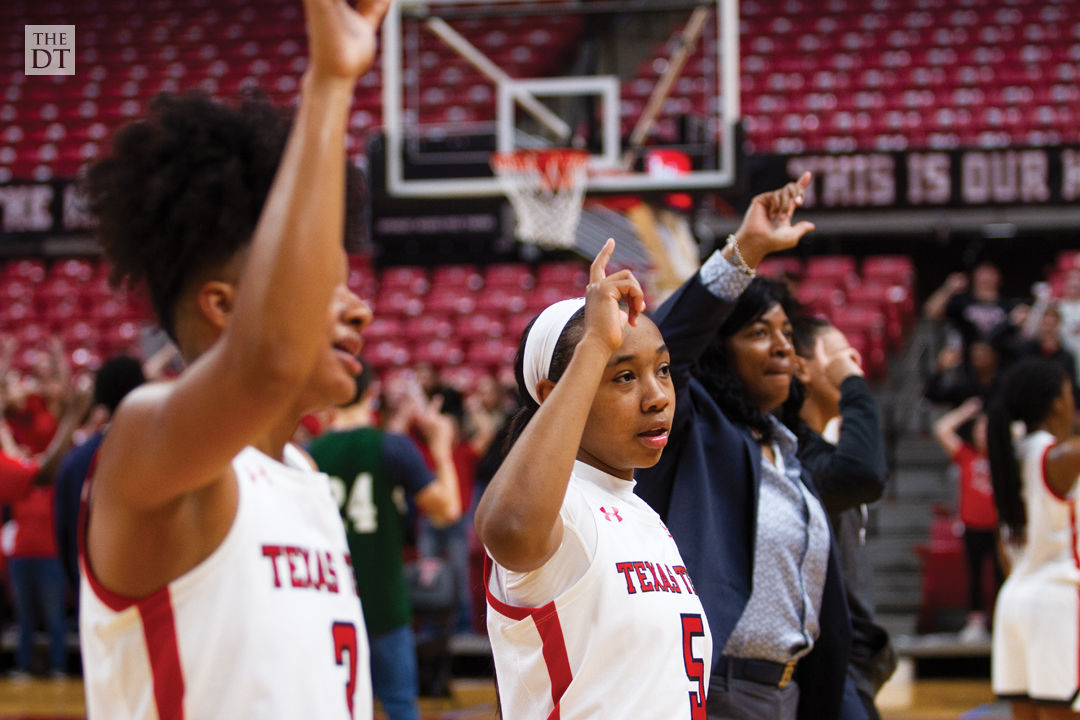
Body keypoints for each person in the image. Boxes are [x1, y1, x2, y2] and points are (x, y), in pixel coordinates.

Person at [76, 0, 387, 716]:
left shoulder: (304, 474)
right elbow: (268, 358)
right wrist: (330, 85)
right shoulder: (145, 442)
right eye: (322, 283)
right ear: (224, 305)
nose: (358, 308)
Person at [636, 173, 852, 720]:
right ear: (720, 351)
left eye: (786, 332)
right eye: (759, 332)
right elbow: (669, 345)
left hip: (789, 689)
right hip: (716, 688)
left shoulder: (790, 450)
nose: (781, 346)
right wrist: (746, 249)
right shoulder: (692, 430)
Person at [475, 239, 713, 719]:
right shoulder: (562, 507)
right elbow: (508, 527)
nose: (657, 397)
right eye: (624, 377)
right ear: (552, 394)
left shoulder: (641, 513)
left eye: (663, 371)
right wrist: (594, 347)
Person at [309, 365, 461, 720]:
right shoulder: (392, 446)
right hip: (384, 600)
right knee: (399, 705)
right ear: (372, 394)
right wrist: (440, 448)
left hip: (328, 604)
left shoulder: (309, 453)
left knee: (332, 708)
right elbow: (447, 510)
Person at [782, 316, 895, 720]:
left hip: (849, 657)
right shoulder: (797, 456)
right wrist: (852, 383)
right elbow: (864, 472)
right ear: (803, 367)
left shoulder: (821, 450)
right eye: (839, 352)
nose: (853, 359)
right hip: (826, 659)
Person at [987, 357, 1080, 719]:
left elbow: (1003, 551)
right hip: (1055, 601)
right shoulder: (1063, 455)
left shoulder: (1009, 457)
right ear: (1058, 402)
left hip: (1012, 601)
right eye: (1070, 393)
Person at [2, 385, 89, 678]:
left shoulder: (47, 474)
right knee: (28, 619)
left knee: (52, 620)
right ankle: (29, 667)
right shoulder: (26, 470)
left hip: (46, 555)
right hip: (23, 556)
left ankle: (57, 667)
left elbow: (44, 469)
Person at [54, 355, 148, 597]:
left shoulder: (74, 461)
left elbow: (63, 535)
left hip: (92, 598)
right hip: (152, 595)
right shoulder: (162, 453)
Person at [932, 396, 1001, 644]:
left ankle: (1002, 621)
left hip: (998, 528)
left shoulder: (1005, 459)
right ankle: (975, 624)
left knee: (1002, 575)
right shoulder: (966, 455)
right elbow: (941, 429)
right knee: (974, 576)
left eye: (987, 428)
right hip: (972, 526)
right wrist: (965, 411)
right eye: (979, 428)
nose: (983, 433)